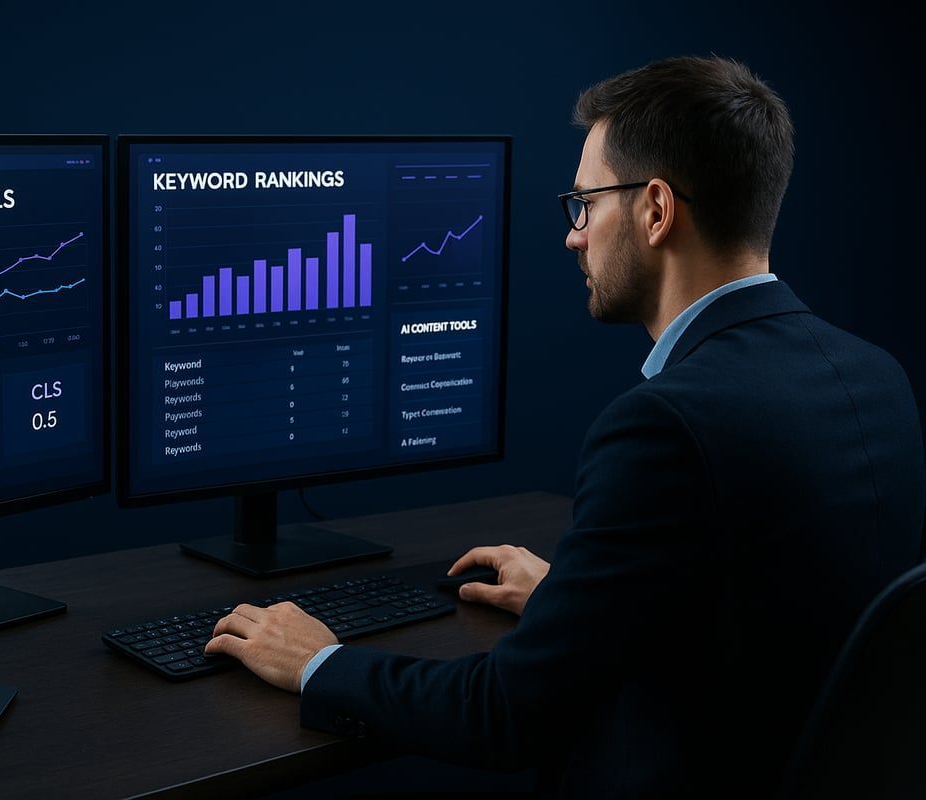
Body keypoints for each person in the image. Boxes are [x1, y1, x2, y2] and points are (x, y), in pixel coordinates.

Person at [204, 55, 925, 796]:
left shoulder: (665, 425)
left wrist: (319, 661)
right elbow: (764, 613)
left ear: (655, 210)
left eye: (584, 204)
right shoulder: (877, 377)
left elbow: (502, 716)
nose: (573, 237)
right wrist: (574, 602)